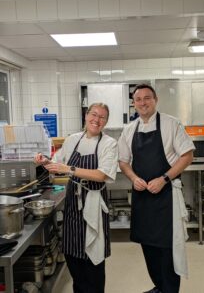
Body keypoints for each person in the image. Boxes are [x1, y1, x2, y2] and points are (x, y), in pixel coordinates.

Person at [118, 84, 195, 293]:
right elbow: (123, 161)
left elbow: (187, 156)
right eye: (138, 99)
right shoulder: (129, 130)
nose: (143, 102)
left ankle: (169, 289)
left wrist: (164, 178)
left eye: (147, 98)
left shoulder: (171, 124)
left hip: (166, 197)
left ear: (155, 100)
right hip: (143, 198)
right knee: (148, 247)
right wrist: (133, 178)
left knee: (168, 249)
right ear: (133, 103)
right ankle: (159, 287)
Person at [34, 103, 118, 293]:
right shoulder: (73, 139)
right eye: (93, 114)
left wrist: (69, 169)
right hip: (74, 201)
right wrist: (44, 161)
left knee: (94, 260)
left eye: (102, 117)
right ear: (86, 115)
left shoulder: (109, 143)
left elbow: (101, 175)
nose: (97, 120)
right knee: (73, 256)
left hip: (95, 202)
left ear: (106, 121)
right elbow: (57, 163)